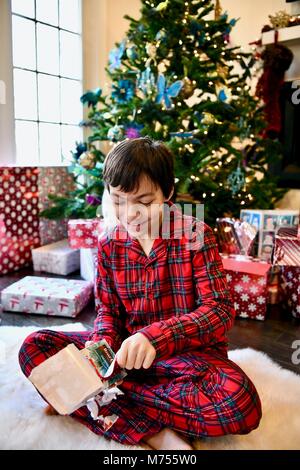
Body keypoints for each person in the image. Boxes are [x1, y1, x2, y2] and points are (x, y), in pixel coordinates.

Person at [18, 137, 262, 450]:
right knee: (34, 348)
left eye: (144, 202)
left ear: (168, 192)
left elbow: (219, 311)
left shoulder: (195, 235)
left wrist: (155, 338)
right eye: (118, 200)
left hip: (185, 364)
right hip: (122, 359)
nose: (130, 213)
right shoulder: (109, 243)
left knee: (239, 401)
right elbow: (108, 311)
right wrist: (101, 348)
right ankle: (153, 430)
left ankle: (99, 402)